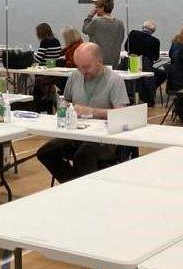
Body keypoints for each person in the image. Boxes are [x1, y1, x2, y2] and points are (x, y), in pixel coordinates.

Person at [37, 43, 130, 183]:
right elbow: (65, 101)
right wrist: (66, 108)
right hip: (76, 131)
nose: (82, 71)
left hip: (104, 137)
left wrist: (92, 111)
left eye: (86, 67)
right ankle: (73, 183)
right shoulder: (75, 76)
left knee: (84, 155)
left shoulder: (114, 81)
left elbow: (121, 114)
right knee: (45, 152)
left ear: (100, 61)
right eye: (78, 66)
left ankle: (85, 188)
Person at [126, 20, 163, 106]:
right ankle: (149, 90)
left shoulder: (133, 34)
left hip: (131, 65)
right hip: (146, 67)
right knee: (162, 74)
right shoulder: (155, 41)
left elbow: (126, 47)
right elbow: (155, 57)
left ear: (143, 27)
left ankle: (141, 89)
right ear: (153, 31)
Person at [82, 0, 125, 67]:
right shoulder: (120, 23)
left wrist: (89, 17)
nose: (95, 9)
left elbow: (85, 30)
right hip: (113, 61)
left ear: (102, 8)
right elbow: (121, 39)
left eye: (97, 7)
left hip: (97, 61)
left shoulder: (97, 22)